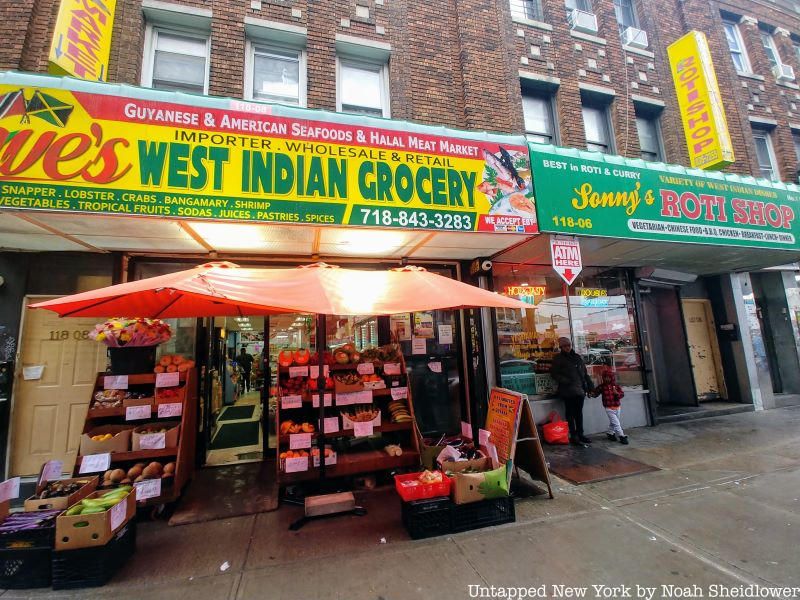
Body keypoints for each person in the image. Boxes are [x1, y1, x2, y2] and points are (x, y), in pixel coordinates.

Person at [550, 337, 593, 445]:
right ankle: (573, 435)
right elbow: (554, 374)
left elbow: (584, 373)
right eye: (564, 346)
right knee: (570, 413)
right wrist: (566, 381)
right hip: (568, 390)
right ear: (561, 347)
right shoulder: (558, 358)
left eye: (568, 345)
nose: (567, 347)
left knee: (579, 413)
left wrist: (590, 385)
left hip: (580, 389)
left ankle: (580, 434)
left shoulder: (577, 357)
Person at [591, 367, 628, 445]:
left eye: (608, 377)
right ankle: (622, 436)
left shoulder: (616, 386)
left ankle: (610, 433)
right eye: (605, 377)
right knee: (616, 423)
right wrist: (591, 394)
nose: (607, 379)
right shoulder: (602, 387)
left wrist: (617, 393)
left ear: (611, 377)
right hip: (609, 408)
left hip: (617, 407)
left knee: (614, 422)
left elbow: (622, 394)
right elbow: (595, 393)